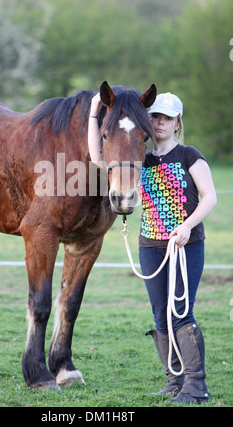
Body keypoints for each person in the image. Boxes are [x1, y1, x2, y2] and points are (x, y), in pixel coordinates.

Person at [88, 90, 217, 405]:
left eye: (167, 118)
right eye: (155, 116)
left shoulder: (189, 155)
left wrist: (186, 227)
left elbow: (210, 196)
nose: (160, 122)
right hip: (150, 246)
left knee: (181, 312)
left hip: (186, 245)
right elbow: (96, 157)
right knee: (161, 315)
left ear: (177, 124)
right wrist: (94, 113)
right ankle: (175, 381)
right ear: (147, 120)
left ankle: (196, 387)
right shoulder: (139, 158)